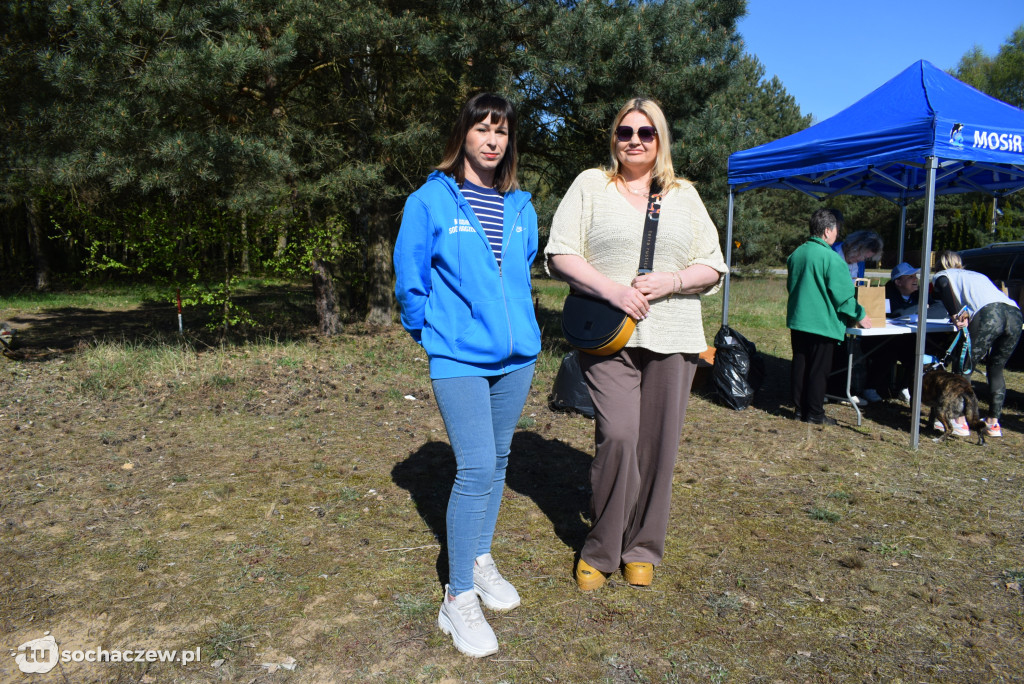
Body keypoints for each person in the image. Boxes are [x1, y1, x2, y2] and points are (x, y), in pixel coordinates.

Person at [545, 97, 726, 592]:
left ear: (660, 139)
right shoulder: (591, 185)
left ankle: (642, 547)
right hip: (607, 335)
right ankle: (601, 548)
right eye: (625, 132)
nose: (634, 141)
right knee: (620, 437)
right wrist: (613, 290)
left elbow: (713, 264)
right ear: (614, 138)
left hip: (674, 336)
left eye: (646, 133)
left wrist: (670, 281)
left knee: (658, 448)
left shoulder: (685, 196)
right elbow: (560, 254)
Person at [393, 93, 540, 658]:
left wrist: (520, 331)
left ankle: (478, 558)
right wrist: (433, 336)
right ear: (465, 135)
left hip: (518, 357)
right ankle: (457, 599)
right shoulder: (430, 200)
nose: (492, 140)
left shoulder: (520, 206)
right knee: (475, 467)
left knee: (498, 462)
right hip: (457, 358)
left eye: (501, 131)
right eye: (482, 128)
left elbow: (519, 279)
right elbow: (411, 283)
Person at [788, 208, 872, 425]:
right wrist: (860, 314)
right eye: (836, 230)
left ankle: (799, 410)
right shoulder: (832, 259)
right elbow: (843, 296)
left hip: (799, 321)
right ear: (827, 231)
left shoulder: (796, 254)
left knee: (800, 366)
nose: (837, 235)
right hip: (822, 323)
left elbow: (792, 287)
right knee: (818, 370)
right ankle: (815, 413)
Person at [932, 249, 1021, 438]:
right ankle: (993, 423)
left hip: (990, 315)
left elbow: (943, 284)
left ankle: (959, 420)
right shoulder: (977, 275)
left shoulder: (943, 274)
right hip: (1014, 313)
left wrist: (955, 315)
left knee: (964, 366)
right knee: (996, 367)